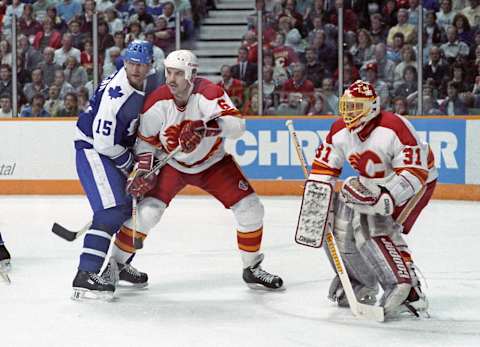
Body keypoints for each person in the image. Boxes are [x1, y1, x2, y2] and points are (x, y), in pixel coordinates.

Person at [103, 50, 284, 291]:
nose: (171, 79)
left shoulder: (209, 93)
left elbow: (238, 126)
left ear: (192, 74)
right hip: (172, 165)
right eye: (169, 72)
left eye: (178, 73)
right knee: (148, 213)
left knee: (251, 209)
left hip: (213, 163)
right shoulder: (157, 101)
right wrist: (144, 168)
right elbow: (146, 141)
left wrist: (207, 128)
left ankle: (251, 268)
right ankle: (116, 265)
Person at [308, 80, 437, 318]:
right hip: (376, 184)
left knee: (382, 228)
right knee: (343, 224)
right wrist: (318, 201)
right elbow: (323, 169)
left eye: (356, 107)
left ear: (373, 107)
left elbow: (415, 171)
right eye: (347, 106)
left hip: (416, 182)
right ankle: (361, 283)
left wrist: (389, 196)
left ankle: (411, 291)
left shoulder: (395, 126)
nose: (349, 113)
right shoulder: (339, 131)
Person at [71, 40, 162, 300]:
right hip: (93, 148)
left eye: (141, 64)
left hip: (116, 146)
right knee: (112, 211)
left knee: (134, 208)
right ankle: (85, 275)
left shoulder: (151, 81)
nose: (135, 69)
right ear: (125, 62)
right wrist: (131, 166)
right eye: (131, 63)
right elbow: (103, 142)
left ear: (149, 66)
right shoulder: (118, 95)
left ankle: (119, 265)